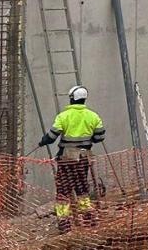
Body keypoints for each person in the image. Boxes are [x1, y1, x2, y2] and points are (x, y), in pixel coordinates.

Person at [39, 86, 106, 219]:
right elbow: (100, 137)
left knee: (63, 190)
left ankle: (64, 222)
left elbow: (52, 137)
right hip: (83, 157)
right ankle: (88, 218)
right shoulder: (93, 116)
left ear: (71, 99)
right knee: (82, 188)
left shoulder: (63, 116)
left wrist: (43, 141)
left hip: (67, 159)